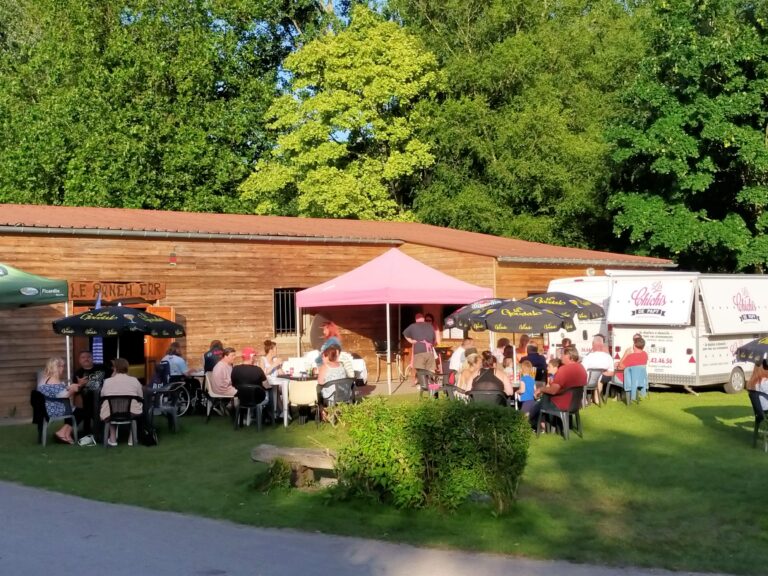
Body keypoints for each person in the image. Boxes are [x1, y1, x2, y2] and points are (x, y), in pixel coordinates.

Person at [529, 347, 587, 430]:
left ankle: (534, 424)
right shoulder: (581, 368)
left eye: (563, 354)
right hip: (575, 404)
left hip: (561, 404)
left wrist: (540, 389)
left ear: (568, 356)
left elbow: (553, 390)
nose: (561, 356)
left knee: (541, 401)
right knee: (542, 401)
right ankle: (544, 426)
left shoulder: (564, 369)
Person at [100, 358, 144, 447]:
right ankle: (132, 438)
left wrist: (112, 377)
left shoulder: (107, 381)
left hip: (111, 413)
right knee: (139, 405)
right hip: (131, 412)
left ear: (115, 368)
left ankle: (112, 439)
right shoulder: (134, 380)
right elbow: (140, 396)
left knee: (108, 408)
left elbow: (102, 395)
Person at [37, 357, 81, 444]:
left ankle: (65, 433)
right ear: (56, 367)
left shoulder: (45, 379)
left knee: (77, 411)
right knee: (81, 412)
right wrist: (74, 389)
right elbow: (65, 395)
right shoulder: (54, 380)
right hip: (56, 409)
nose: (63, 369)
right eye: (61, 366)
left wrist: (71, 386)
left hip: (46, 408)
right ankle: (62, 433)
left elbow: (56, 392)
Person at [581, 334, 614, 404]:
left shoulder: (588, 357)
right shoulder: (608, 357)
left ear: (593, 345)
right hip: (602, 379)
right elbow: (611, 372)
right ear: (602, 345)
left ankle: (585, 399)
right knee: (600, 379)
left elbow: (582, 371)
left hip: (587, 381)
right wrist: (601, 374)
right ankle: (597, 398)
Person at [317, 345, 348, 420]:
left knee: (317, 392)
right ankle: (333, 413)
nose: (322, 358)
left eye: (323, 356)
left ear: (327, 356)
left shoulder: (324, 367)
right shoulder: (341, 365)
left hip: (331, 395)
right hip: (343, 393)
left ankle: (323, 412)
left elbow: (320, 383)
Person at [403, 313, 437, 378]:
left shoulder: (413, 326)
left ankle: (423, 386)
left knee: (421, 370)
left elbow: (405, 333)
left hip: (419, 351)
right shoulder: (430, 326)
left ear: (416, 319)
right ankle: (432, 385)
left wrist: (411, 341)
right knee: (431, 369)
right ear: (423, 319)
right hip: (430, 351)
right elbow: (434, 340)